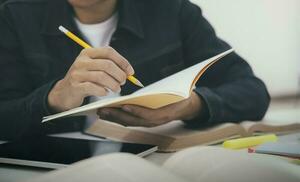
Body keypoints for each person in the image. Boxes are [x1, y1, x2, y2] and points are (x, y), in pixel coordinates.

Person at [0, 0, 270, 140]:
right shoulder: (15, 14)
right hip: (49, 169)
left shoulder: (172, 11)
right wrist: (55, 97)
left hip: (155, 159)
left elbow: (252, 91)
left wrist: (190, 106)